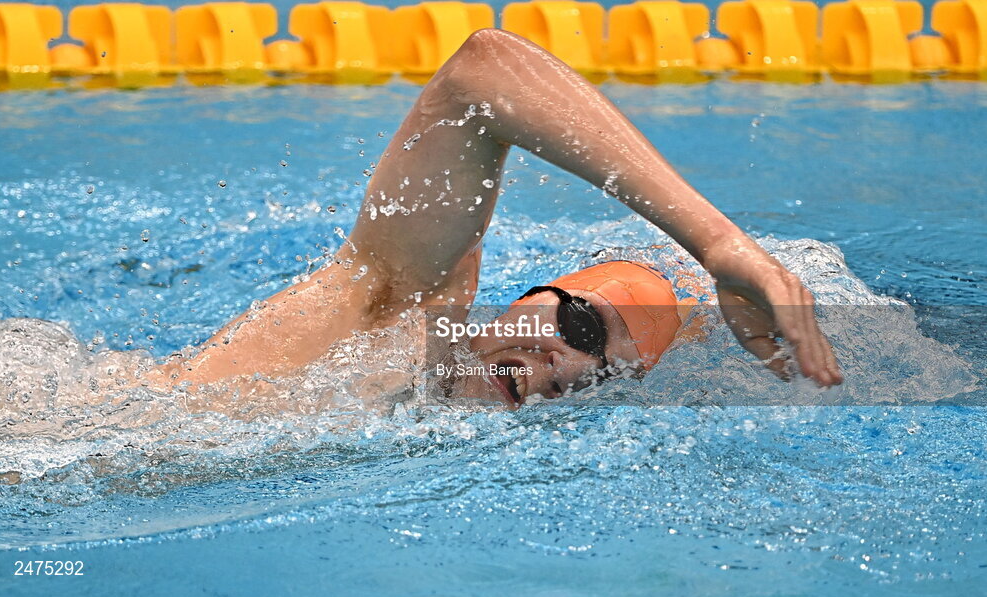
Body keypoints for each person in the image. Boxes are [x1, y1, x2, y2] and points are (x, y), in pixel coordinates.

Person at [154, 29, 842, 406]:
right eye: (577, 324)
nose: (569, 363)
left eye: (600, 376)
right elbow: (480, 74)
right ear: (514, 299)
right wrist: (719, 246)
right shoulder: (387, 307)